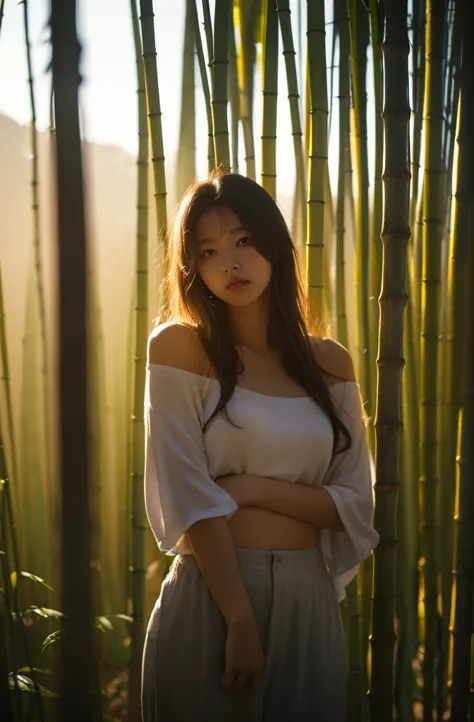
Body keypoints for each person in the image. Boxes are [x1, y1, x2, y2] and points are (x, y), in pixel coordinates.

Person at [141, 170, 379, 722]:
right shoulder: (180, 349)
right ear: (192, 268)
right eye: (208, 251)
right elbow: (189, 497)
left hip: (309, 600)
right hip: (213, 596)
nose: (230, 262)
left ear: (274, 245)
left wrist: (248, 488)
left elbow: (355, 504)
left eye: (243, 241)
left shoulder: (330, 364)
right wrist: (241, 621)